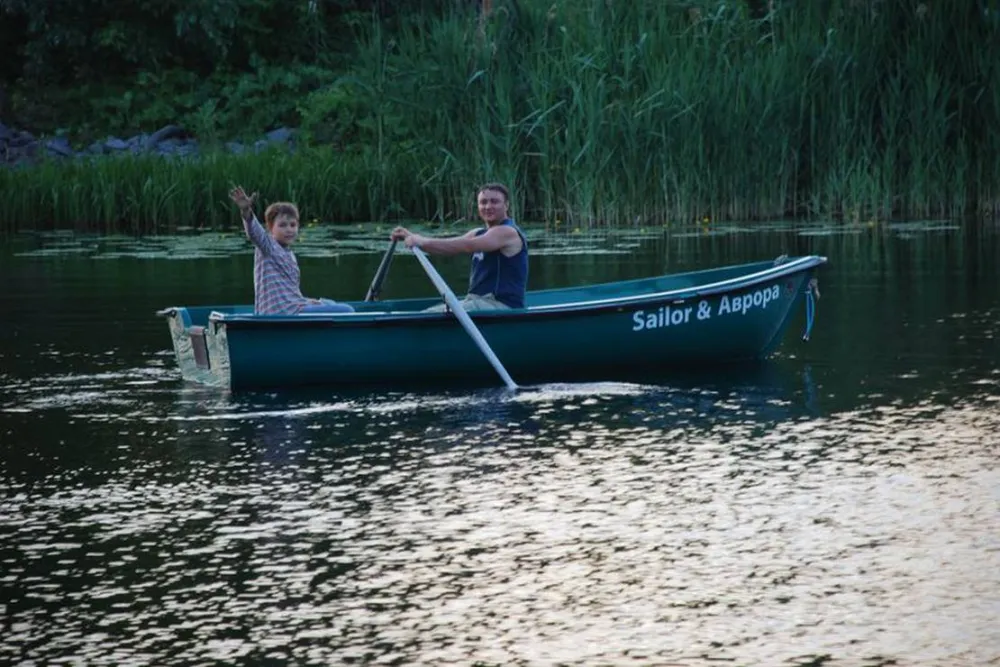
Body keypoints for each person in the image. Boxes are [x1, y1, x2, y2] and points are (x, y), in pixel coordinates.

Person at [390, 183, 528, 311]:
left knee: (427, 315)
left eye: (494, 201)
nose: (488, 207)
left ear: (507, 205)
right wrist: (411, 236)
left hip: (499, 305)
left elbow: (467, 246)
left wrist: (422, 241)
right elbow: (448, 246)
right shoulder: (478, 233)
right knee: (427, 313)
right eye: (483, 202)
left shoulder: (507, 231)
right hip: (477, 302)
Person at [229, 185, 354, 315]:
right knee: (347, 310)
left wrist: (307, 301)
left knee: (330, 303)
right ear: (271, 228)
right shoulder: (267, 246)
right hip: (279, 312)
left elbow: (290, 292)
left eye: (293, 225)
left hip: (293, 306)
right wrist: (246, 211)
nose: (289, 229)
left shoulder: (290, 254)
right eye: (282, 225)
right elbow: (254, 232)